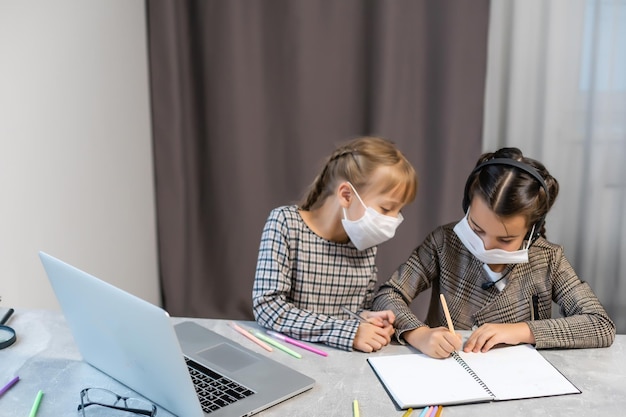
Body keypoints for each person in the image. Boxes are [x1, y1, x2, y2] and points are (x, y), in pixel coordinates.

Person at [373, 147, 615, 359]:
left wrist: (522, 331)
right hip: (448, 373)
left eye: (506, 239)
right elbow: (387, 295)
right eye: (477, 229)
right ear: (467, 208)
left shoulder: (548, 259)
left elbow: (600, 324)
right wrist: (420, 334)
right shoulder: (445, 243)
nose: (486, 246)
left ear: (531, 230)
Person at [252, 136, 418, 352]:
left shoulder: (364, 242)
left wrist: (368, 319)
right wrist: (350, 333)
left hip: (340, 361)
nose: (393, 220)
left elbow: (350, 312)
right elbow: (268, 308)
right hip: (289, 355)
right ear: (346, 195)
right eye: (386, 209)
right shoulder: (285, 223)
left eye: (399, 211)